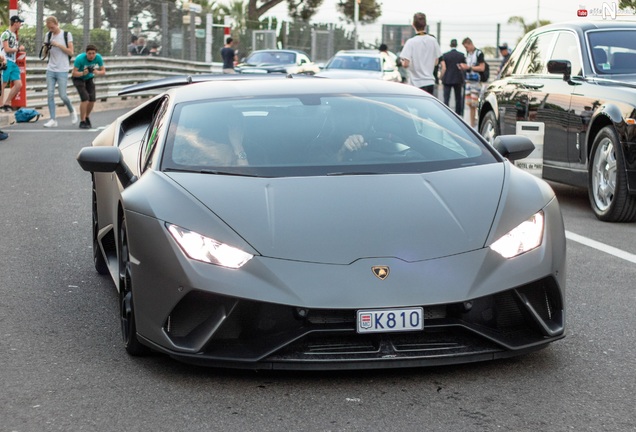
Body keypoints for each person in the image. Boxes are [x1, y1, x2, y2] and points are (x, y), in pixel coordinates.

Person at [42, 16, 78, 128]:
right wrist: (46, 47)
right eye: (48, 28)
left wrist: (58, 45)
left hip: (63, 69)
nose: (50, 29)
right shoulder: (48, 35)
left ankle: (72, 111)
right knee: (50, 94)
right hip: (50, 69)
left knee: (63, 95)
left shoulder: (66, 35)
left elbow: (71, 52)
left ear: (56, 24)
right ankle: (53, 119)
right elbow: (44, 55)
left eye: (52, 27)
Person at [399, 12, 441, 95]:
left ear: (413, 25)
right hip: (430, 82)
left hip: (415, 83)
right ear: (425, 25)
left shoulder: (411, 42)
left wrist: (402, 62)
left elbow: (405, 64)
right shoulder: (433, 41)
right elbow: (436, 62)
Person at [72, 44, 105, 129]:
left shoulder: (98, 58)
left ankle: (87, 117)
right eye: (89, 53)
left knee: (92, 99)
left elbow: (103, 71)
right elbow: (74, 73)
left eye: (93, 53)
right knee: (85, 98)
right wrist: (83, 73)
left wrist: (96, 72)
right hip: (78, 78)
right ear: (86, 53)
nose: (91, 56)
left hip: (89, 78)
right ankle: (82, 121)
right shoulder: (80, 59)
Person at [459, 37, 486, 127]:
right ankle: (472, 124)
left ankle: (475, 123)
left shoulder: (479, 53)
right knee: (470, 104)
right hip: (468, 81)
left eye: (466, 47)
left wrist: (469, 68)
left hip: (476, 82)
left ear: (470, 44)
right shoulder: (468, 54)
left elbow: (482, 68)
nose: (466, 49)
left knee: (475, 104)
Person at [1, 16, 25, 112]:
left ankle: (7, 103)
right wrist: (18, 49)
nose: (20, 24)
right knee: (3, 83)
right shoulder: (6, 34)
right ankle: (1, 104)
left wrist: (18, 49)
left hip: (13, 61)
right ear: (15, 23)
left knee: (18, 84)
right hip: (6, 60)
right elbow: (6, 49)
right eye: (19, 22)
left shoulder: (14, 35)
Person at [439, 39, 466, 115]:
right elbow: (463, 67)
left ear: (450, 45)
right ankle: (458, 113)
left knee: (446, 98)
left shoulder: (445, 55)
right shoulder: (461, 55)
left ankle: (446, 113)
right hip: (458, 79)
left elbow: (444, 68)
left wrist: (441, 77)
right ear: (456, 45)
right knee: (458, 98)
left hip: (447, 79)